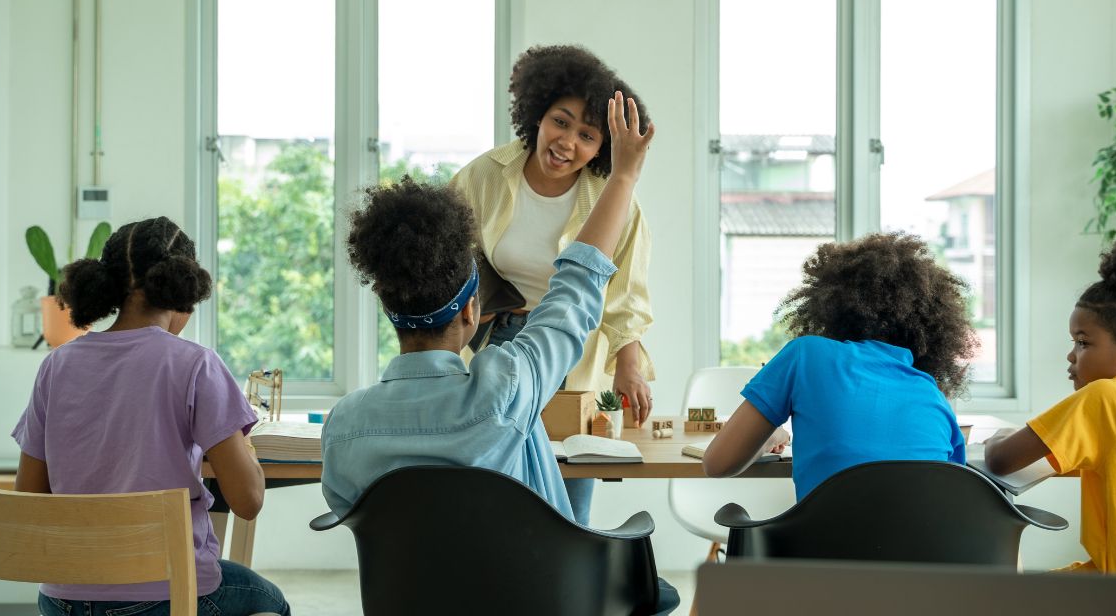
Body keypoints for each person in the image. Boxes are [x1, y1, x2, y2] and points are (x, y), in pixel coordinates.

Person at [323, 92, 678, 614]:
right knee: (654, 590)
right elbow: (576, 291)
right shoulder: (510, 386)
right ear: (472, 311)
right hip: (530, 602)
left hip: (414, 604)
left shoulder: (344, 425)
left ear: (385, 301)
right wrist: (626, 175)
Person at [12, 216, 290, 616]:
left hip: (61, 598)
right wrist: (242, 437)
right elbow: (248, 501)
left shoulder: (57, 365)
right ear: (184, 289)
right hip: (163, 594)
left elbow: (30, 498)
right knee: (271, 601)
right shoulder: (195, 364)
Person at [451, 43, 656, 525]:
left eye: (587, 135)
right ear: (537, 114)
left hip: (571, 354)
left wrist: (629, 366)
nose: (567, 143)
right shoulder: (484, 177)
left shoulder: (614, 202)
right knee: (494, 486)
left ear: (603, 147)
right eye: (560, 122)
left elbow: (625, 295)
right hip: (494, 350)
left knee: (568, 497)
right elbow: (441, 263)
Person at [984, 241, 1116, 616]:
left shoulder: (1111, 397)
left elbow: (1000, 460)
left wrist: (997, 434)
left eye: (1082, 342)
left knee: (996, 594)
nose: (1071, 355)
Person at [703, 233, 977, 500]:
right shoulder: (935, 399)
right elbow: (948, 499)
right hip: (924, 547)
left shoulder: (805, 354)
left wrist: (769, 436)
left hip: (819, 545)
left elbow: (717, 464)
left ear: (830, 306)